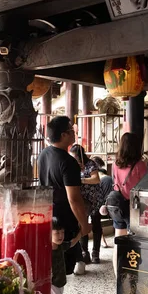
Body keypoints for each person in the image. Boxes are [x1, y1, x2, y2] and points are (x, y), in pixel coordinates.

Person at [38, 116, 90, 278]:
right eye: (71, 131)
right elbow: (73, 198)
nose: (74, 133)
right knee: (62, 267)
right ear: (63, 135)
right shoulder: (68, 162)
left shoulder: (43, 154)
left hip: (47, 215)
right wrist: (84, 224)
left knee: (50, 265)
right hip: (64, 220)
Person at [108, 132, 148, 275]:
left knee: (118, 241)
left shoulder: (115, 164)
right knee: (133, 242)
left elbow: (115, 182)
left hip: (118, 204)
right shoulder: (140, 165)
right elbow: (146, 185)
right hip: (133, 207)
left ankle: (117, 275)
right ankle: (133, 274)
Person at [69, 144, 103, 265]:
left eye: (74, 156)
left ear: (80, 156)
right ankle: (85, 252)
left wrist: (81, 180)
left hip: (94, 199)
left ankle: (96, 253)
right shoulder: (73, 166)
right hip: (82, 200)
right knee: (82, 223)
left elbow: (96, 179)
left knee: (96, 224)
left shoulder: (91, 164)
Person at [51, 216, 82, 294]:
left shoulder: (61, 246)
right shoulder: (46, 251)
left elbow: (71, 243)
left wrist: (80, 234)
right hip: (52, 282)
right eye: (57, 233)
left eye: (62, 232)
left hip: (61, 281)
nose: (61, 235)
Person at [91, 156, 113, 249]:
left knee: (95, 216)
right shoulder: (109, 178)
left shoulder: (98, 180)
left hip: (102, 209)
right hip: (112, 208)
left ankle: (101, 241)